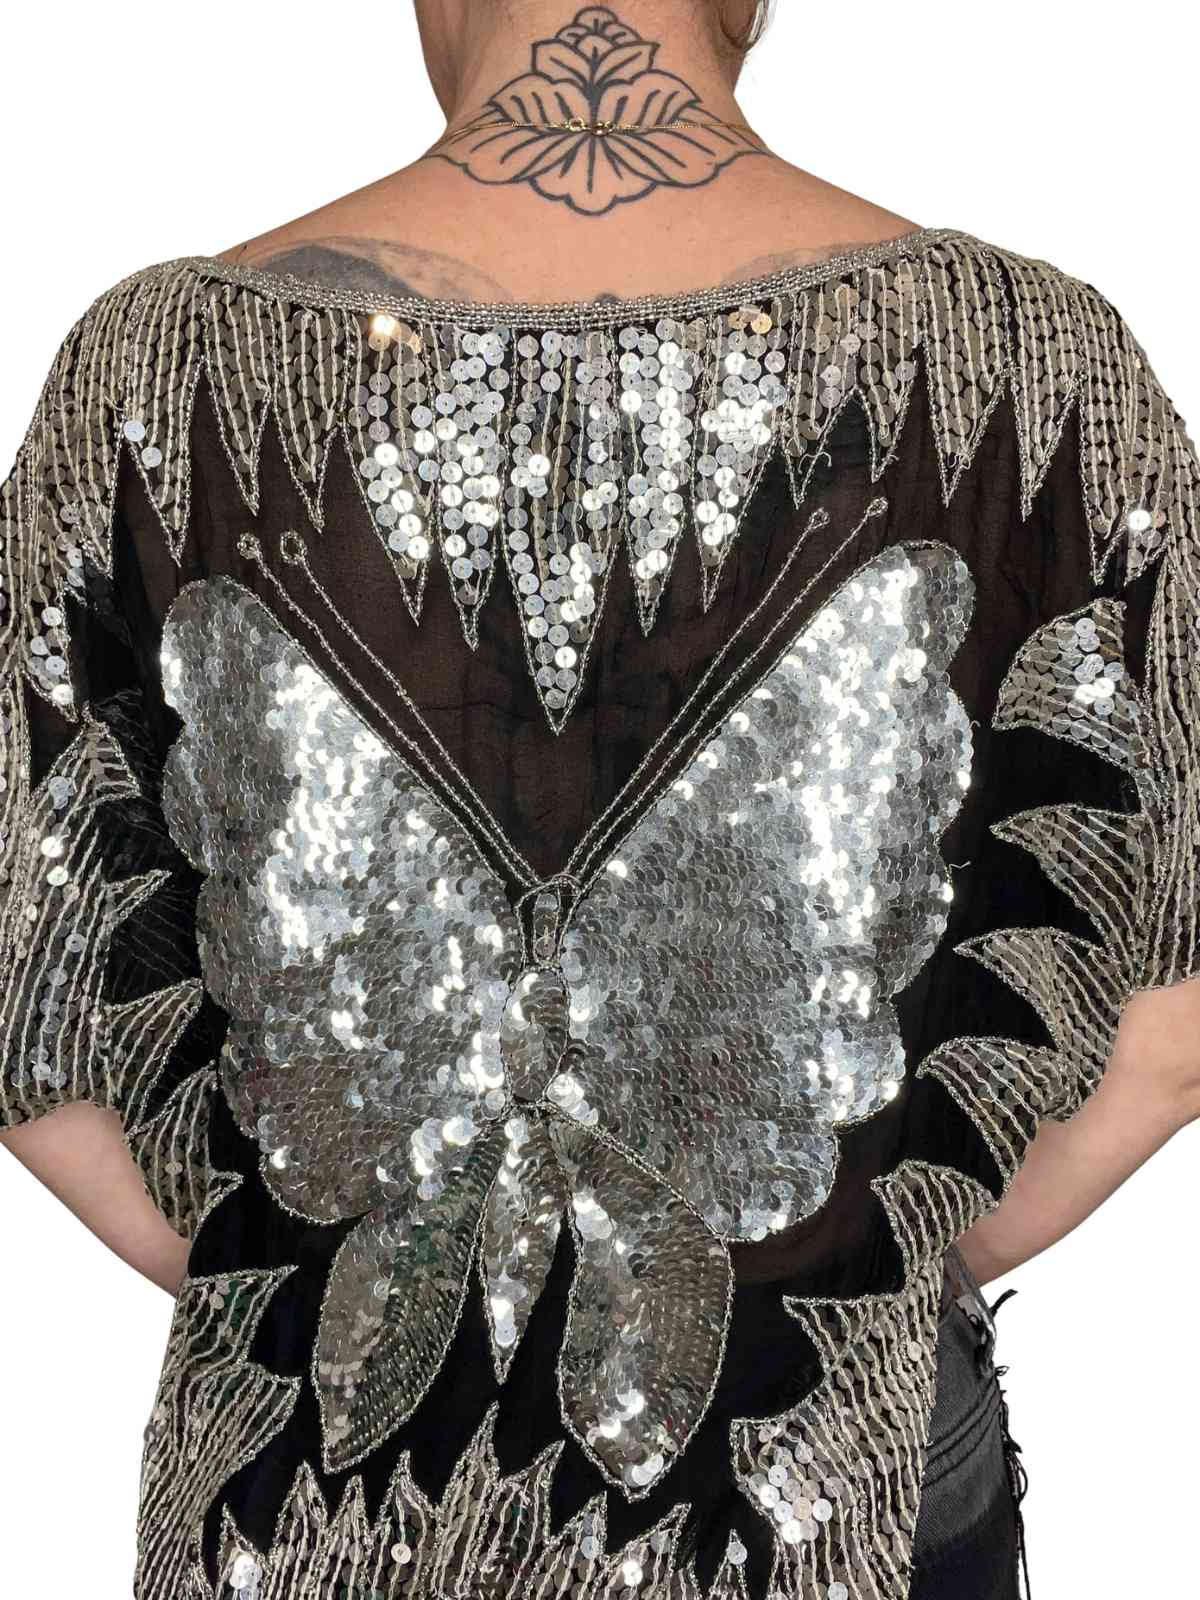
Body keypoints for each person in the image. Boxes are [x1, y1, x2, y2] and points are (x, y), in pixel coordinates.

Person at [2, 4, 1198, 1598]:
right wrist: (871, 1268)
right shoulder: (1036, 372)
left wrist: (270, 1265)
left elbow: (32, 1026)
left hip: (321, 1510)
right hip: (828, 1483)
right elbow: (1173, 1026)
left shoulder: (155, 375)